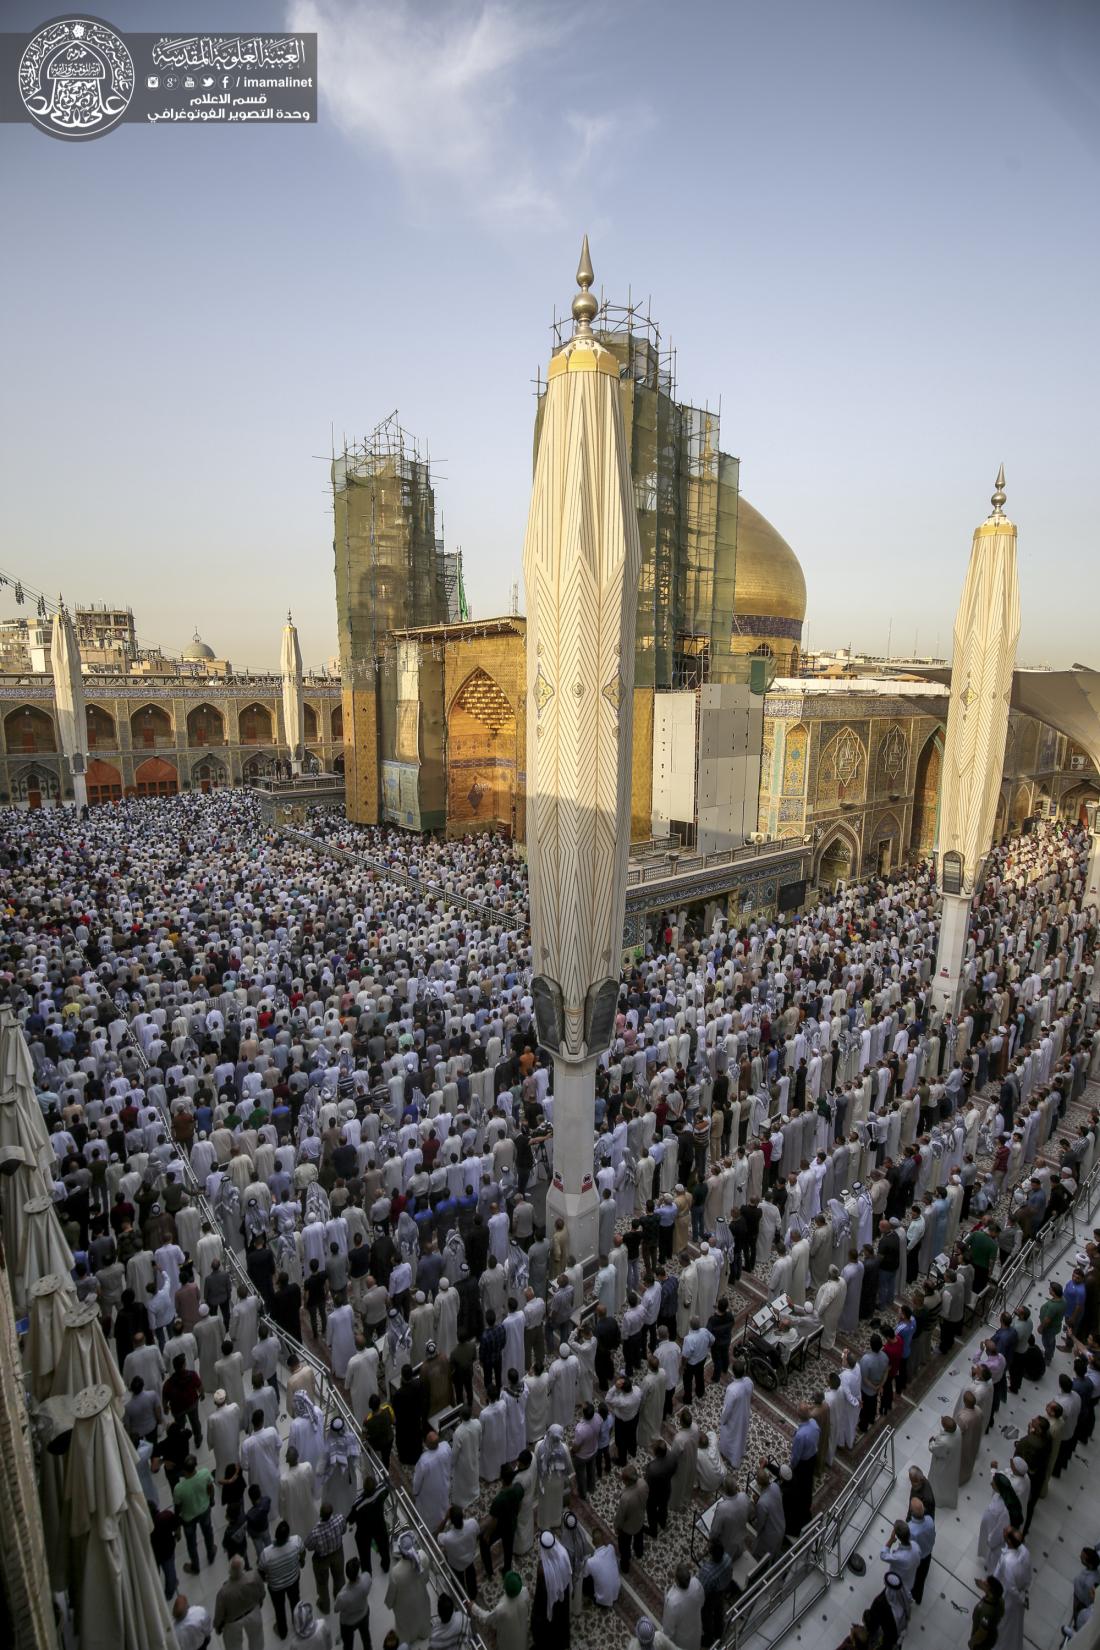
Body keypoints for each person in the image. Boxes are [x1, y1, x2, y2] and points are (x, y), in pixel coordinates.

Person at [259, 1521, 307, 1641]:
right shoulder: (296, 1541)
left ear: (275, 1535)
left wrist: (266, 1579)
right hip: (293, 1580)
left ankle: (283, 1632)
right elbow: (303, 1552)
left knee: (279, 1609)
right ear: (288, 1535)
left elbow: (261, 1571)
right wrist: (301, 1562)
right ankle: (297, 1625)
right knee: (295, 1602)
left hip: (276, 1587)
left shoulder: (266, 1553)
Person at [172, 1454, 216, 1575]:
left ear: (184, 1470)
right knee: (208, 1532)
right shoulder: (205, 1473)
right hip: (204, 1509)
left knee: (191, 1542)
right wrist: (211, 1500)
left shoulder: (179, 1488)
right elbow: (211, 1488)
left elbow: (177, 1508)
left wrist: (177, 1526)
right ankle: (211, 1554)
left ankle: (195, 1566)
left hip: (188, 1518)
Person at [213, 1555, 266, 1650]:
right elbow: (262, 1592)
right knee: (257, 1638)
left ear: (229, 1570)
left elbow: (219, 1613)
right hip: (253, 1612)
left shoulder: (223, 1592)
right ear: (243, 1566)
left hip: (233, 1622)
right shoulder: (253, 1576)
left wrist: (217, 1626)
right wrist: (259, 1602)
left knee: (233, 1646)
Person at [469, 1570, 530, 1650]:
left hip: (508, 1640)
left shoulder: (502, 1608)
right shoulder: (525, 1591)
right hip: (522, 1632)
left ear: (505, 1586)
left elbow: (487, 1619)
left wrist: (473, 1607)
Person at [662, 1562, 705, 1650]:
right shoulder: (696, 1583)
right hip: (696, 1628)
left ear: (676, 1580)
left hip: (682, 1639)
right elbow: (702, 1602)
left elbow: (668, 1629)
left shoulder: (672, 1602)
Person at [334, 1557, 373, 1650]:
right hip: (364, 1614)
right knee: (366, 1638)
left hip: (348, 1622)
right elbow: (368, 1578)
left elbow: (336, 1609)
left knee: (348, 1645)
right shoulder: (366, 1579)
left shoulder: (342, 1596)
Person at [969, 1575, 1004, 1650]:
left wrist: (972, 1643)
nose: (982, 1581)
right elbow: (1001, 1613)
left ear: (990, 1590)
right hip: (992, 1635)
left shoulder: (987, 1611)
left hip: (982, 1642)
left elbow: (982, 1632)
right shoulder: (999, 1599)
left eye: (985, 1583)